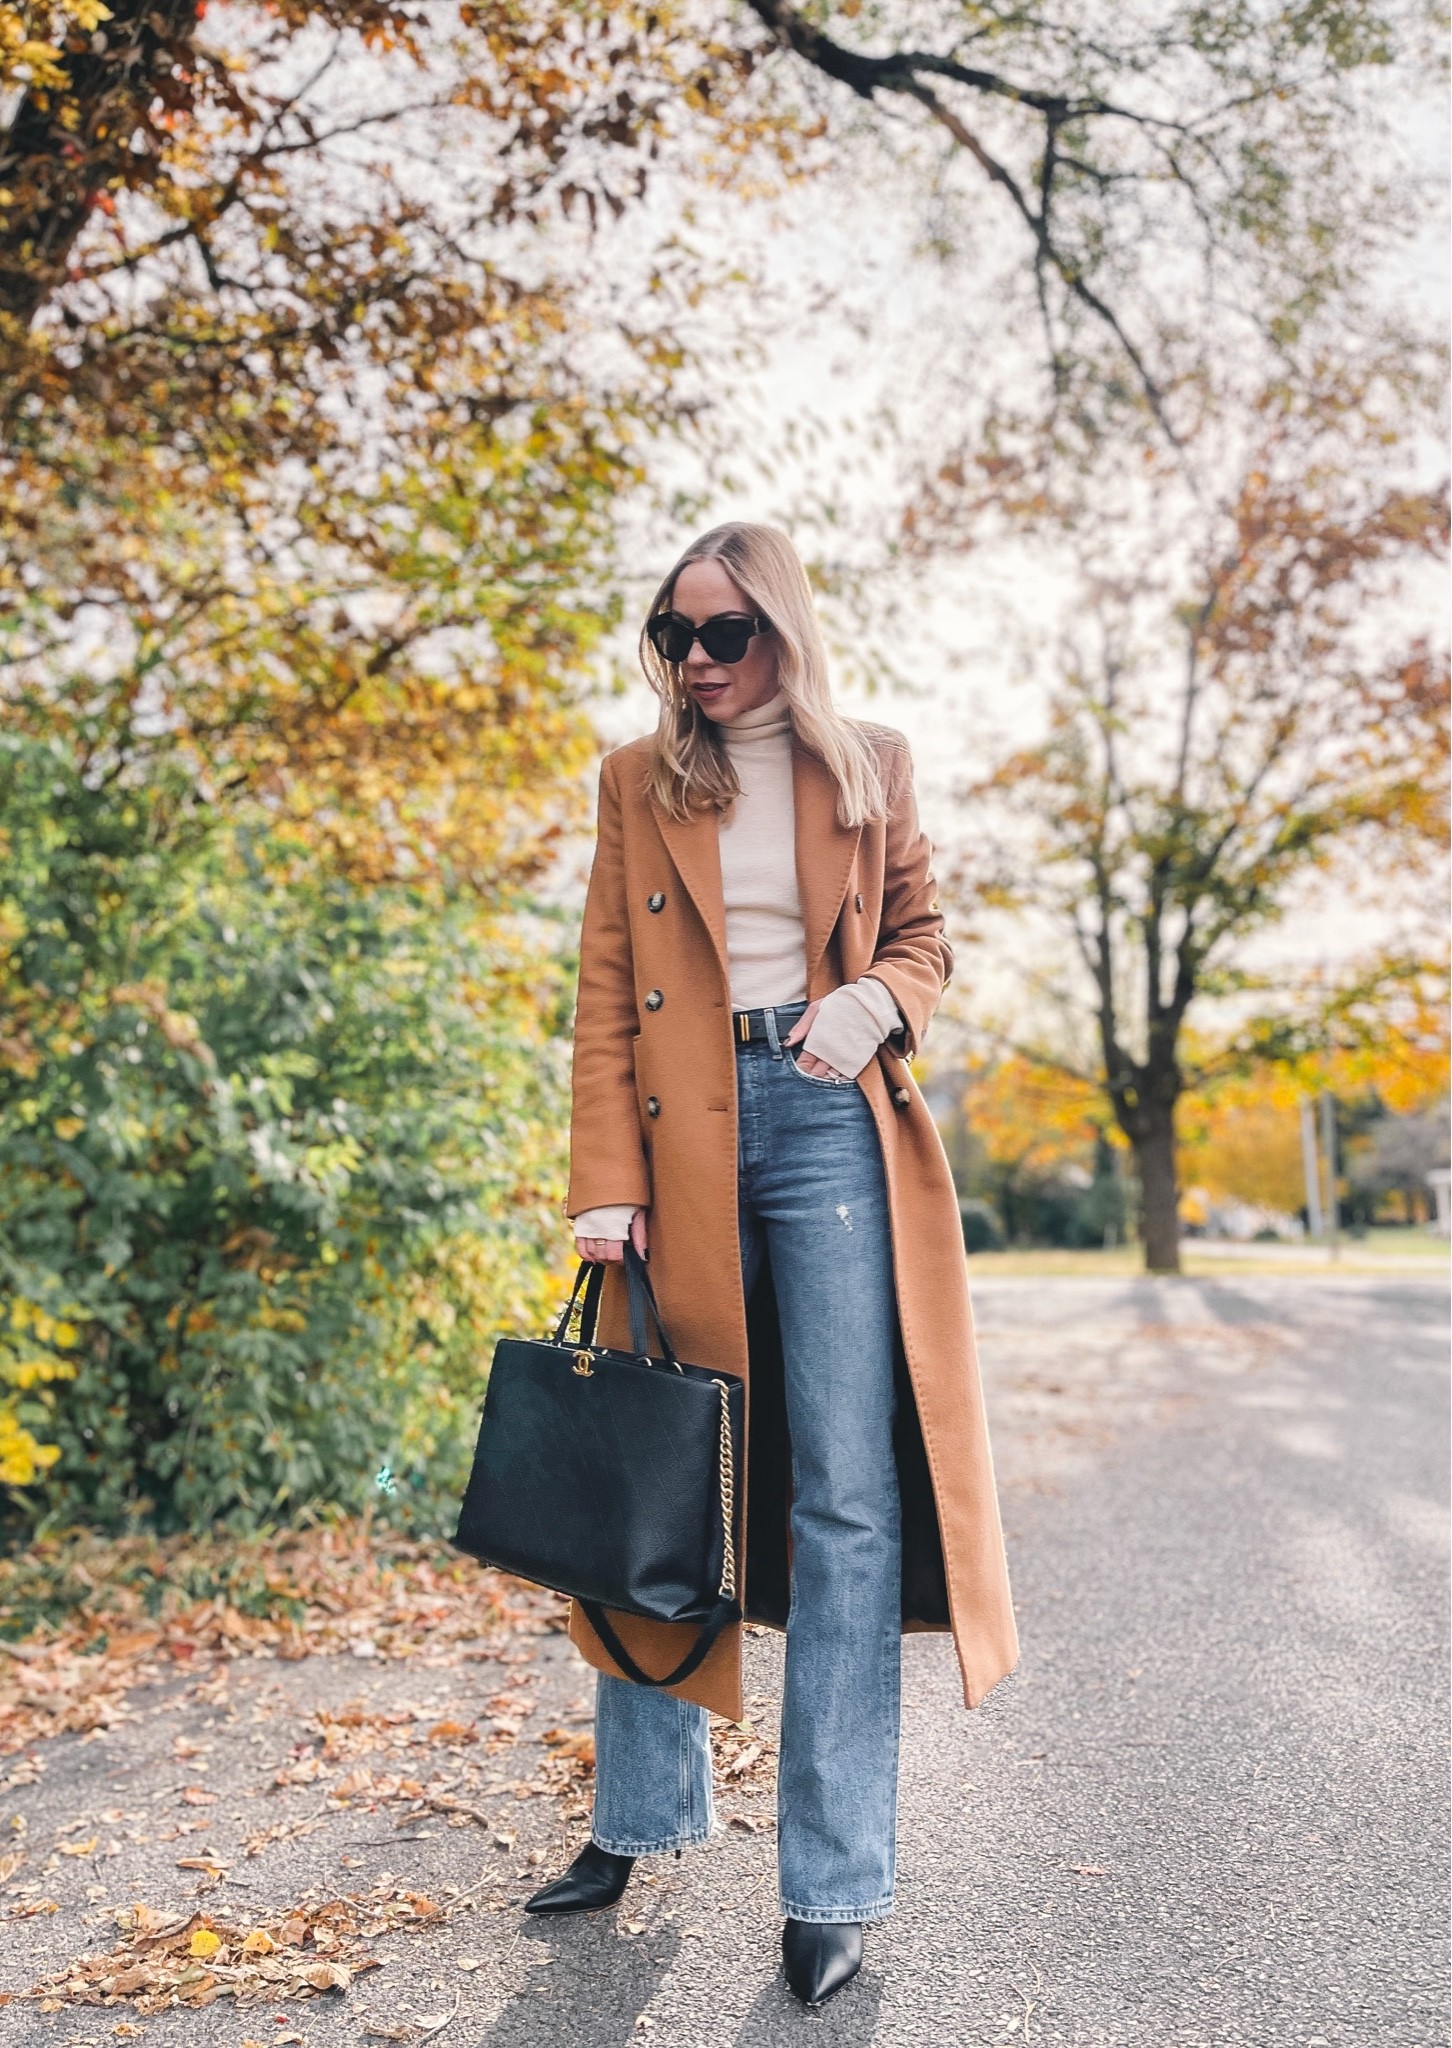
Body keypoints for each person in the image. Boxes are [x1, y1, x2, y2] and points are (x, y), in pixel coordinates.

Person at [523, 522, 1017, 2008]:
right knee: (660, 1472)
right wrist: (603, 1184)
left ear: (782, 631)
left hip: (825, 1126)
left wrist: (874, 999)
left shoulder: (868, 762)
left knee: (848, 1498)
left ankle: (833, 1882)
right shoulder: (635, 779)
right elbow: (608, 983)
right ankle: (638, 1816)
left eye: (723, 633)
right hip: (680, 1140)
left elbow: (924, 933)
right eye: (673, 636)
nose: (696, 662)